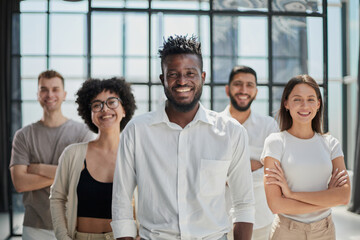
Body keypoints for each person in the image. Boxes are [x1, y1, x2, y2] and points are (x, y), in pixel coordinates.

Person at [111, 35, 255, 240]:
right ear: (162, 79)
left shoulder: (231, 132)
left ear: (202, 77)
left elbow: (244, 204)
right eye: (173, 74)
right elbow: (121, 202)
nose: (182, 81)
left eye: (190, 73)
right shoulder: (137, 131)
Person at [261, 75, 350, 239]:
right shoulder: (275, 143)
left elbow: (343, 197)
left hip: (325, 231)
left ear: (318, 104)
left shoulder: (331, 144)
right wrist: (327, 198)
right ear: (286, 104)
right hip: (287, 232)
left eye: (310, 99)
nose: (304, 105)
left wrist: (291, 195)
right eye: (297, 99)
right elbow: (276, 205)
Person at [9, 70, 94, 240]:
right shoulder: (23, 135)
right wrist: (67, 173)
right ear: (38, 94)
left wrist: (38, 168)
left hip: (73, 224)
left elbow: (83, 177)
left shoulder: (82, 132)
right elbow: (20, 183)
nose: (50, 94)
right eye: (44, 89)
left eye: (55, 89)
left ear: (64, 94)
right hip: (35, 227)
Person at [49, 77, 136, 240]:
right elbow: (57, 198)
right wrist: (63, 237)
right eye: (97, 105)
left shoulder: (136, 154)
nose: (105, 109)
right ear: (89, 114)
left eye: (112, 102)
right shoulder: (72, 154)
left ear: (124, 109)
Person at [221, 66, 278, 240]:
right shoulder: (213, 126)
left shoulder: (269, 126)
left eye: (249, 85)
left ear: (256, 91)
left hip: (261, 220)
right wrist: (252, 165)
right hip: (221, 220)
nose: (244, 90)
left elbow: (273, 173)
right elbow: (209, 173)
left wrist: (230, 173)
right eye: (238, 84)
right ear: (227, 89)